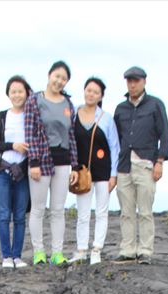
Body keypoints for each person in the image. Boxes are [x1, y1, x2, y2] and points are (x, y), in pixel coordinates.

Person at [113, 66, 168, 264]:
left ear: (144, 81)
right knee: (126, 211)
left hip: (146, 162)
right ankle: (128, 249)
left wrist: (160, 161)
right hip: (124, 165)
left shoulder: (155, 105)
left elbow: (164, 135)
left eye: (136, 80)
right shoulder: (121, 109)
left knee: (145, 210)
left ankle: (145, 250)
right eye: (129, 81)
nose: (132, 84)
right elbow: (115, 138)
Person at [23, 61, 79, 267]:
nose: (59, 81)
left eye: (64, 79)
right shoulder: (35, 100)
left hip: (63, 160)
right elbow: (30, 131)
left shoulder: (68, 105)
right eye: (57, 76)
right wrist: (34, 161)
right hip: (41, 160)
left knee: (58, 209)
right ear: (49, 75)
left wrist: (75, 165)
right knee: (38, 209)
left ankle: (57, 252)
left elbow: (71, 134)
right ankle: (39, 252)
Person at [70, 77, 120, 266]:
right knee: (82, 213)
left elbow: (114, 147)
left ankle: (97, 249)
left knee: (101, 211)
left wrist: (113, 175)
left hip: (103, 172)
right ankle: (82, 249)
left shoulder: (106, 118)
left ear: (101, 96)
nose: (91, 94)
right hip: (82, 172)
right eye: (89, 90)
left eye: (96, 92)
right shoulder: (74, 114)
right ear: (84, 91)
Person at [0, 75, 32, 269]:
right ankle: (6, 256)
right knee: (4, 214)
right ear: (8, 94)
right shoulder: (2, 116)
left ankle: (17, 256)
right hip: (3, 171)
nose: (17, 95)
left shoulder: (31, 117)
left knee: (20, 216)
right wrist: (13, 145)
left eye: (20, 91)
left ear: (26, 93)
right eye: (13, 91)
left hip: (22, 173)